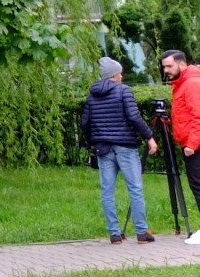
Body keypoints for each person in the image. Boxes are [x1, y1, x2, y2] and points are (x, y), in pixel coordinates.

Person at [82, 57, 157, 244]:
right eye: (120, 72)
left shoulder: (92, 94)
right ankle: (141, 232)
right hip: (125, 146)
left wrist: (92, 142)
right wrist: (149, 137)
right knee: (135, 188)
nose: (122, 75)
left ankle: (114, 234)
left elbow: (85, 122)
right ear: (114, 75)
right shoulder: (124, 91)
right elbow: (133, 116)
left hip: (103, 148)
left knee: (107, 191)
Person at [161, 50, 200, 243]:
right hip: (192, 142)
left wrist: (192, 144)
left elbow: (198, 116)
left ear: (181, 64)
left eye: (169, 66)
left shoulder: (191, 84)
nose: (165, 70)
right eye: (164, 66)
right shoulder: (183, 83)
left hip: (196, 145)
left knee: (198, 185)